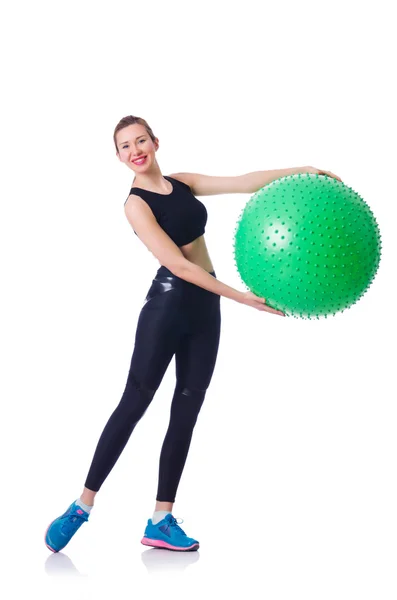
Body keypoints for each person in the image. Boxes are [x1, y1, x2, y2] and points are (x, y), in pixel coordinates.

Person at [44, 115, 342, 553]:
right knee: (134, 402)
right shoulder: (135, 204)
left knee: (187, 407)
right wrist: (242, 298)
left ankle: (161, 519)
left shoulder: (180, 183)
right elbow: (180, 266)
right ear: (119, 157)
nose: (135, 150)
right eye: (125, 146)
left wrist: (304, 170)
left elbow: (243, 181)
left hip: (206, 305)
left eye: (140, 140)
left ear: (155, 141)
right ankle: (82, 507)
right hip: (168, 305)